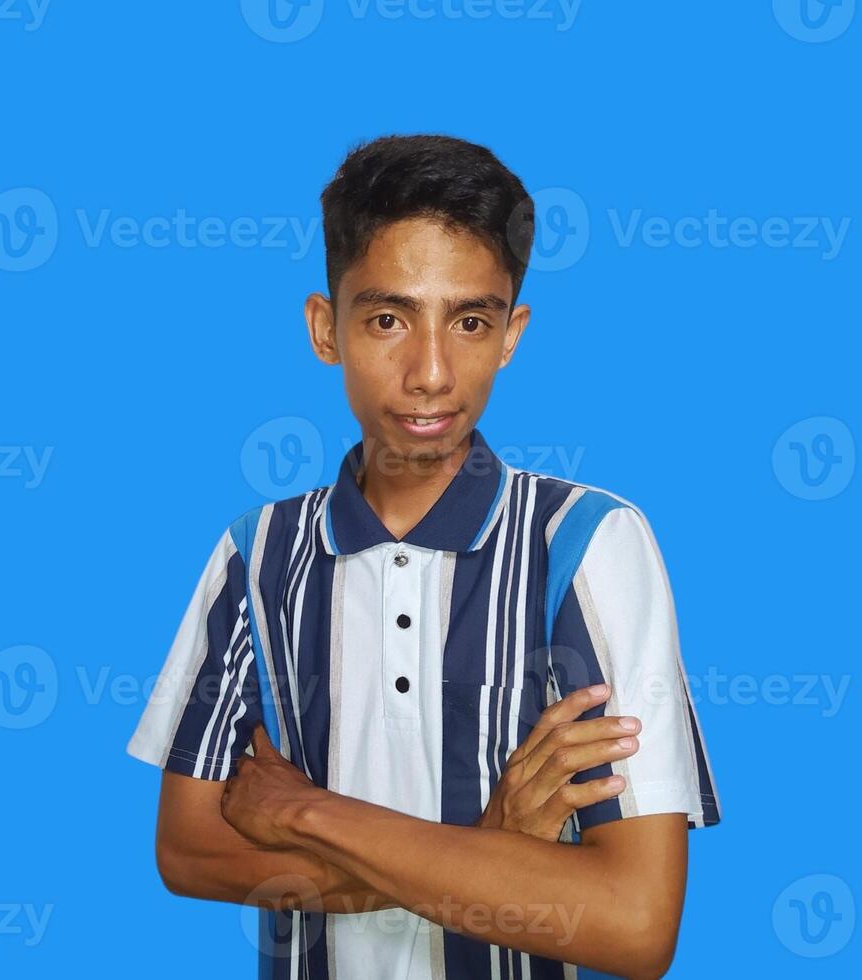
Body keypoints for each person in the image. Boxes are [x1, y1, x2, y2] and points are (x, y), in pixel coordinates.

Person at [126, 133, 721, 980]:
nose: (432, 372)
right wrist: (487, 848)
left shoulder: (588, 544)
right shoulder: (256, 554)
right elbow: (189, 854)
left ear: (512, 333)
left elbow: (633, 923)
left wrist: (310, 814)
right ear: (325, 328)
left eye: (470, 321)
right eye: (388, 319)